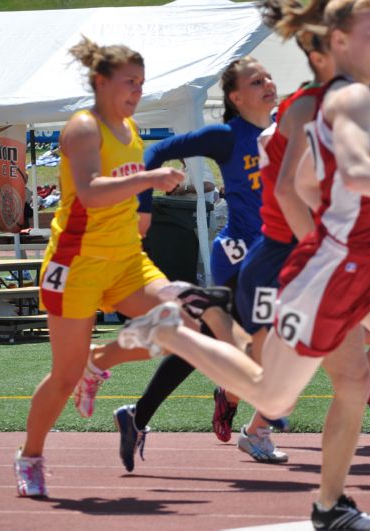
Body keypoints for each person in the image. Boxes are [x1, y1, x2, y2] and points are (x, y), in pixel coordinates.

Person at [116, 1, 370, 529]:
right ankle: (184, 333)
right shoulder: (340, 100)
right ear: (337, 44)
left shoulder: (331, 103)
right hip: (329, 269)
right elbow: (349, 172)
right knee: (273, 393)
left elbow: (300, 183)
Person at [13, 36, 189, 497]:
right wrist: (151, 178)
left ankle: (98, 363)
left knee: (180, 322)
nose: (136, 92)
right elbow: (89, 192)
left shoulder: (129, 129)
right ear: (100, 81)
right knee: (62, 375)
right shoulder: (84, 128)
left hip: (127, 259)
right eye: (129, 82)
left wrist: (142, 203)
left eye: (142, 84)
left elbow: (121, 195)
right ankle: (30, 455)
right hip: (77, 263)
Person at [107, 56, 289, 467]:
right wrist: (144, 207)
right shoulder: (226, 137)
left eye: (268, 76)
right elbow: (156, 152)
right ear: (236, 97)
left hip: (273, 256)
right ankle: (254, 421)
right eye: (255, 80)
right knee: (268, 341)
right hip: (239, 254)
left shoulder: (285, 133)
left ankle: (140, 416)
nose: (267, 83)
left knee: (203, 345)